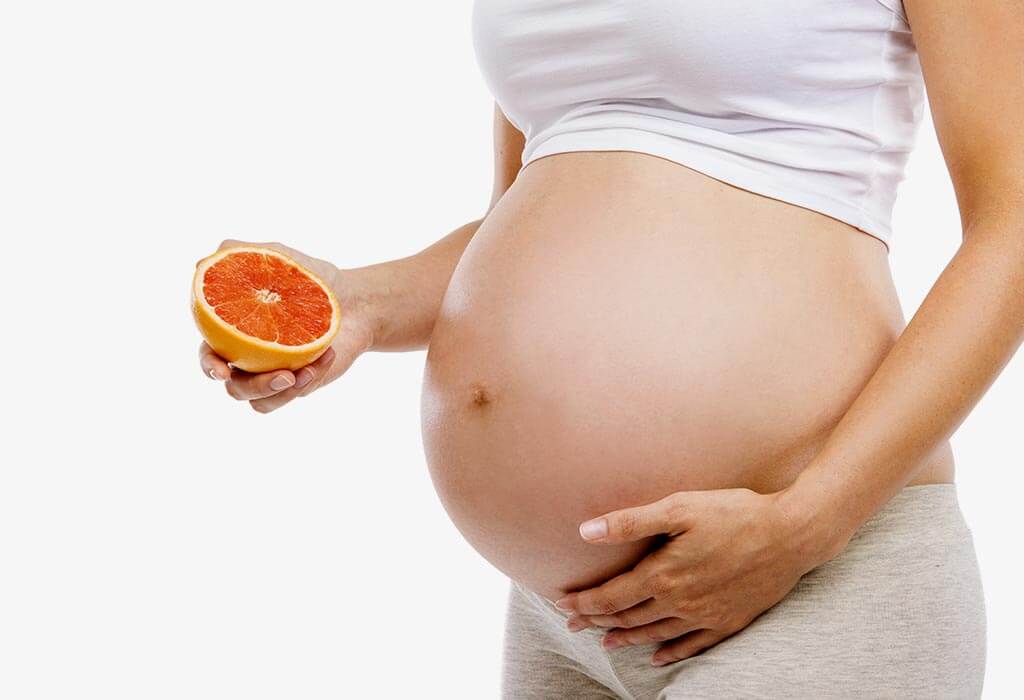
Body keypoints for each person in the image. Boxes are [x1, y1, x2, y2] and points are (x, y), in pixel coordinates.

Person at [199, 1, 1022, 697]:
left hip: (807, 576)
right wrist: (358, 303)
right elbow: (529, 215)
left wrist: (810, 523)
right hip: (564, 620)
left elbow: (1014, 226)